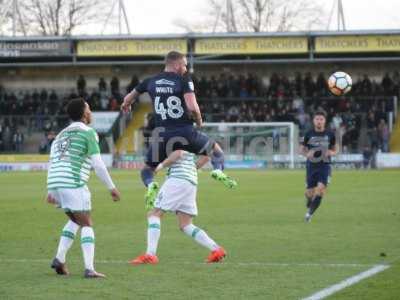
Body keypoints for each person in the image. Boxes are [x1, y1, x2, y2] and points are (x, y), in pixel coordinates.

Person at [121, 51, 236, 207]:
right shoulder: (183, 80)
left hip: (162, 136)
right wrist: (199, 120)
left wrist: (126, 105)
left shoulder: (150, 81)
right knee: (216, 151)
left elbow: (129, 97)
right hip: (185, 133)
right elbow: (191, 106)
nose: (186, 69)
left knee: (147, 169)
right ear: (176, 64)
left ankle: (150, 185)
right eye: (184, 65)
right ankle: (217, 170)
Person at [46, 98, 121, 278]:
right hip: (72, 182)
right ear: (84, 113)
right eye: (89, 108)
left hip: (55, 181)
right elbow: (98, 164)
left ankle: (59, 259)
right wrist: (111, 187)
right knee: (86, 222)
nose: (91, 111)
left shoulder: (60, 135)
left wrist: (50, 190)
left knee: (74, 220)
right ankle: (89, 269)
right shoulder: (88, 132)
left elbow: (52, 161)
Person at [130, 150, 226, 265]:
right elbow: (206, 157)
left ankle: (150, 255)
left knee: (154, 214)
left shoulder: (176, 135)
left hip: (177, 180)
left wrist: (160, 166)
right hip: (191, 181)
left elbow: (178, 153)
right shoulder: (192, 140)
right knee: (185, 224)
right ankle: (216, 250)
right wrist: (190, 170)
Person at [300, 111, 337, 222]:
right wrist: (307, 154)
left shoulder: (330, 134)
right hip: (311, 166)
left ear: (324, 121)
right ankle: (310, 201)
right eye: (317, 119)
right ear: (314, 121)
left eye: (321, 119)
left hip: (324, 166)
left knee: (320, 190)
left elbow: (336, 149)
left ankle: (309, 214)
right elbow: (301, 149)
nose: (319, 121)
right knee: (309, 193)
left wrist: (331, 152)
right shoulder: (308, 134)